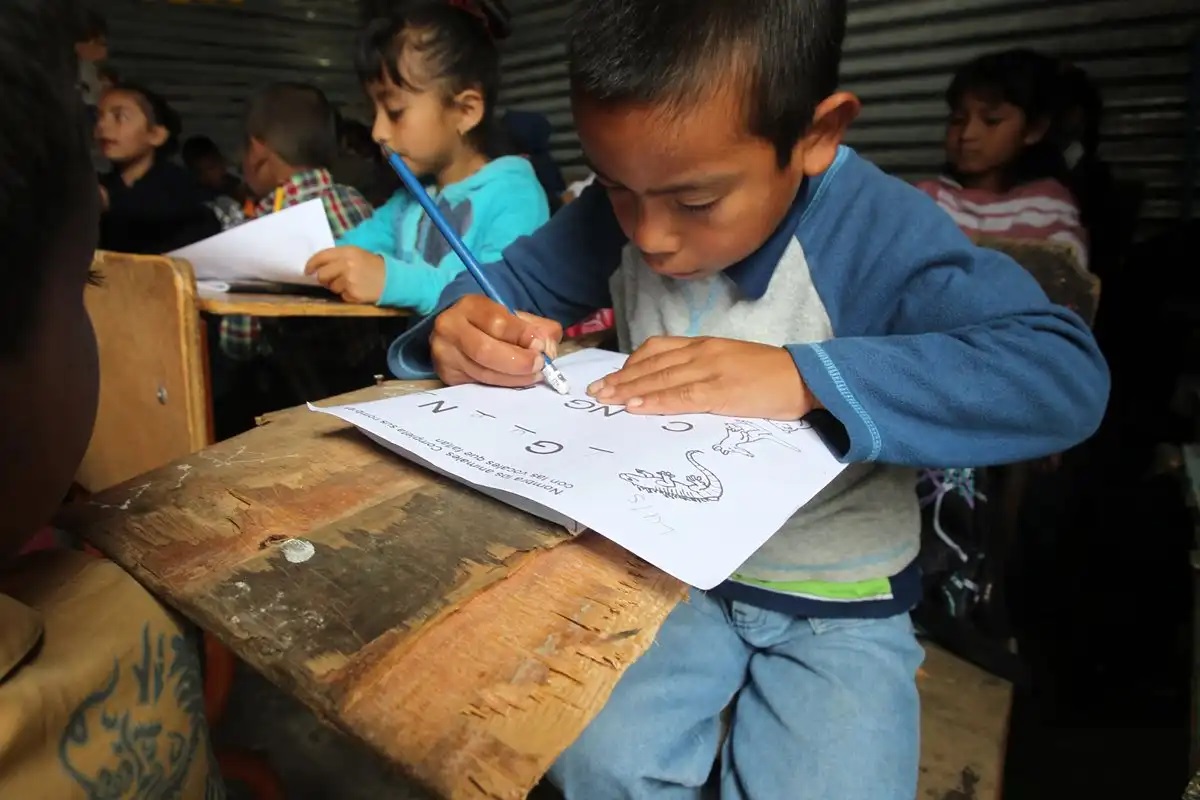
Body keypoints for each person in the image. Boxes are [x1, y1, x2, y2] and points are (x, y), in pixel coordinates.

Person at [384, 1, 1111, 798]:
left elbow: (1060, 374)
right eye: (620, 188)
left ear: (815, 136)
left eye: (696, 203)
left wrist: (803, 377)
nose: (651, 236)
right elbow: (500, 287)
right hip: (670, 577)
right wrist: (459, 326)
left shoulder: (874, 230)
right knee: (595, 764)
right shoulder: (620, 210)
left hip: (842, 602)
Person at [0, 0, 223, 795]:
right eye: (88, 284)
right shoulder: (127, 634)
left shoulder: (165, 196)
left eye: (120, 109)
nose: (106, 123)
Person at [304, 1, 549, 314]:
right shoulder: (407, 205)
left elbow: (500, 302)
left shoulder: (514, 196)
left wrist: (390, 280)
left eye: (395, 112)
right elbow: (343, 250)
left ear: (465, 111)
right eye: (373, 112)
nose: (378, 132)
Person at [218, 82, 376, 364]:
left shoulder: (260, 227)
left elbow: (237, 343)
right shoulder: (355, 201)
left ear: (257, 151)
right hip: (369, 367)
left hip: (299, 386)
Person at [915, 48, 1090, 271]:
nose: (967, 134)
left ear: (1033, 130)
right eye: (958, 120)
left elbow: (1063, 280)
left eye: (991, 120)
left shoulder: (1049, 206)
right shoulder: (927, 198)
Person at [96, 83, 220, 253]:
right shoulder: (99, 184)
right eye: (99, 117)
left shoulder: (181, 189)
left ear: (156, 134)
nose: (102, 125)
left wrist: (108, 201)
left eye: (119, 117)